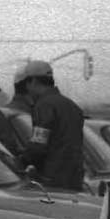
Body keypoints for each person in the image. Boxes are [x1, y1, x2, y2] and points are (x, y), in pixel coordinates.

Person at [14, 59, 85, 190]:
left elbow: (39, 144)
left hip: (53, 179)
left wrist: (21, 161)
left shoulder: (44, 106)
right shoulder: (71, 105)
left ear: (33, 81)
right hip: (75, 178)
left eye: (27, 84)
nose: (27, 90)